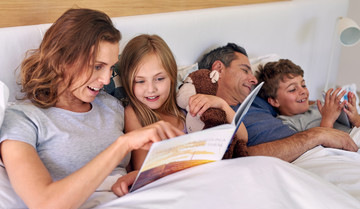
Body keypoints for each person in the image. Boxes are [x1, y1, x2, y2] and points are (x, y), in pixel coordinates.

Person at [0, 8, 183, 209]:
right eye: (97, 66)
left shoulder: (112, 106)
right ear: (62, 59)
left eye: (110, 68)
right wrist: (122, 144)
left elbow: (137, 171)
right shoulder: (22, 119)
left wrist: (137, 176)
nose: (106, 79)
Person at [197, 43, 358, 162]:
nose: (253, 80)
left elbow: (294, 100)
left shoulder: (255, 99)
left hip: (327, 148)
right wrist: (317, 135)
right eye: (245, 70)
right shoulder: (209, 111)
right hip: (308, 158)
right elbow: (241, 157)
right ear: (218, 68)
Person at [109, 34, 186, 196]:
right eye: (140, 81)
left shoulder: (184, 107)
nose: (151, 89)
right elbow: (143, 169)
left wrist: (222, 106)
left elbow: (241, 139)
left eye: (159, 79)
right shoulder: (133, 114)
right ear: (129, 82)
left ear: (172, 76)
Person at [255, 59, 360, 132]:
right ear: (274, 101)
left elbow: (353, 128)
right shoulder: (286, 123)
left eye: (303, 85)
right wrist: (327, 120)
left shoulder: (320, 107)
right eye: (292, 89)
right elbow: (318, 149)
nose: (303, 91)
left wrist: (355, 118)